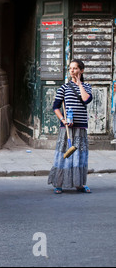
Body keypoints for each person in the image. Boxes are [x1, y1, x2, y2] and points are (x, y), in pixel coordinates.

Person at [48, 59, 93, 194]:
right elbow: (55, 106)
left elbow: (87, 100)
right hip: (67, 128)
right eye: (70, 68)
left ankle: (79, 184)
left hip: (80, 127)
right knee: (64, 155)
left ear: (81, 70)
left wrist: (79, 84)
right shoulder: (64, 88)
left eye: (75, 68)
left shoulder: (87, 86)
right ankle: (59, 184)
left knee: (79, 156)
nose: (72, 71)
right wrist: (63, 119)